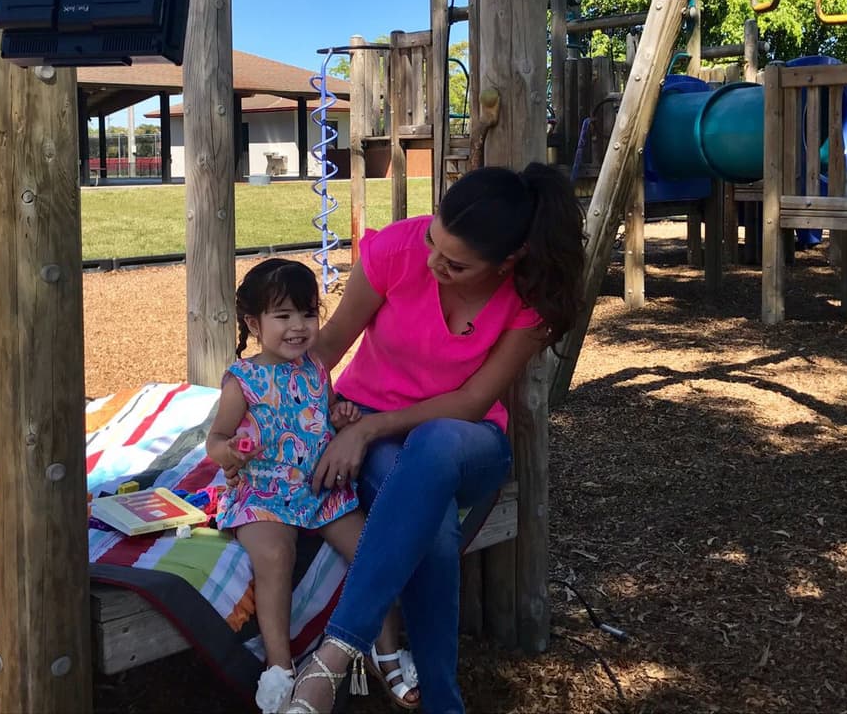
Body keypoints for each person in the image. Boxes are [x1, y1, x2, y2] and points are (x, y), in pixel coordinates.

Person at [284, 164, 587, 714]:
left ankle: (336, 652)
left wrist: (368, 429)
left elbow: (471, 403)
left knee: (434, 444)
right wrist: (304, 411)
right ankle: (443, 703)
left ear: (508, 260)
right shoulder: (396, 250)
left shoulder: (529, 297)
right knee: (436, 523)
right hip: (369, 428)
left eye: (455, 263)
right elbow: (325, 348)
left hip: (466, 440)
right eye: (433, 241)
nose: (432, 263)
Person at [207, 258, 421, 714]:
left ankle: (385, 649)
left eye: (307, 314)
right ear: (254, 323)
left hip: (321, 489)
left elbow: (324, 415)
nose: (298, 327)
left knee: (372, 549)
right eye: (283, 316)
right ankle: (279, 665)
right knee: (274, 555)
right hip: (263, 492)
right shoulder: (242, 381)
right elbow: (215, 440)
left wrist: (341, 416)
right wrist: (230, 453)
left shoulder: (316, 369)